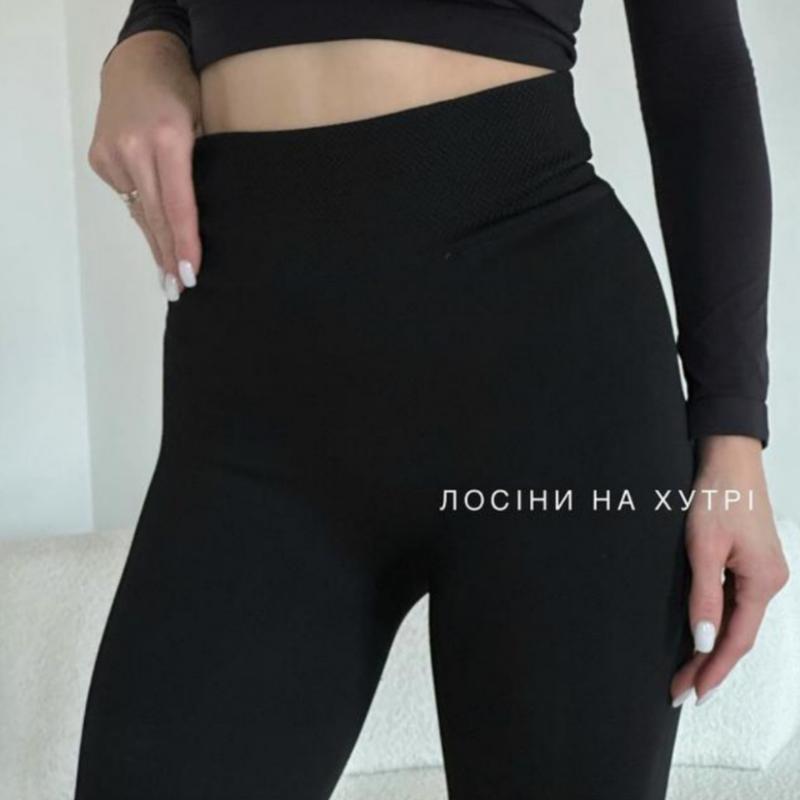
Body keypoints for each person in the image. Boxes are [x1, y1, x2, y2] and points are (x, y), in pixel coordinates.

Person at [74, 1, 790, 798]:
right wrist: (145, 42)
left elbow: (697, 69)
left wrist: (733, 437)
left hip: (548, 394)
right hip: (250, 396)